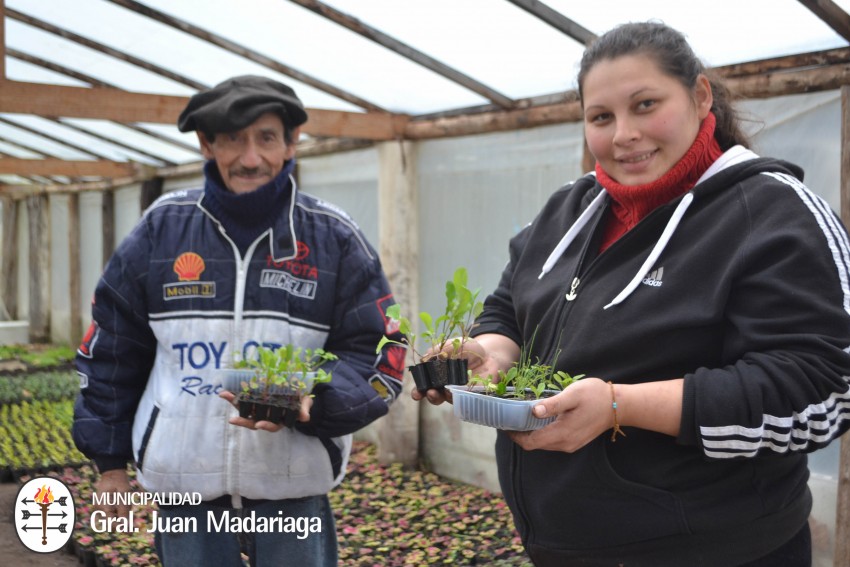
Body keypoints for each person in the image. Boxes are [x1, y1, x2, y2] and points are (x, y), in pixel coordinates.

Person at [416, 22, 850, 567]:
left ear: (700, 96)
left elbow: (821, 391)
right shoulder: (569, 209)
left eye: (645, 105)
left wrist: (619, 406)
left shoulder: (773, 213)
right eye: (601, 117)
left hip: (715, 552)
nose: (623, 134)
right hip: (564, 547)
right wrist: (490, 352)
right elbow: (509, 307)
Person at [72, 75, 405, 567]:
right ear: (207, 144)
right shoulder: (162, 230)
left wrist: (317, 399)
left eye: (266, 138)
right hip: (185, 488)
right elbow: (113, 350)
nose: (251, 159)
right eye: (233, 139)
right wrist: (109, 466)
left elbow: (380, 352)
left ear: (292, 142)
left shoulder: (333, 237)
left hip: (292, 487)